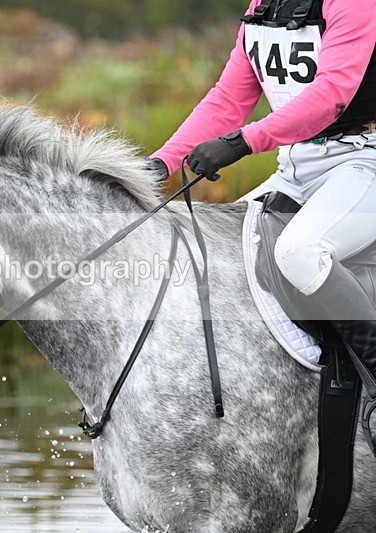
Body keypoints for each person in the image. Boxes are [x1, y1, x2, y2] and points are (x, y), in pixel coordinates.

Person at [148, 0, 376, 452]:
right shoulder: (262, 6)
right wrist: (161, 163)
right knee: (213, 249)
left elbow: (332, 93)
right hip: (298, 166)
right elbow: (228, 99)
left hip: (364, 160)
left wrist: (243, 140)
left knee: (300, 252)